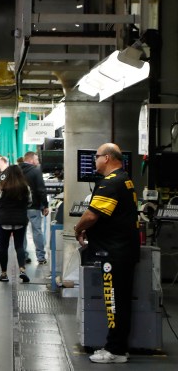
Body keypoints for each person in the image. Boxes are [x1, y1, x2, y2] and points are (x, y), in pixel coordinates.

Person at [74, 143, 139, 364]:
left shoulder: (110, 183)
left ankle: (115, 350)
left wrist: (78, 228)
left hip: (114, 253)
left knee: (113, 301)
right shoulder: (125, 179)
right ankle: (118, 346)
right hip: (123, 250)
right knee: (120, 300)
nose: (95, 160)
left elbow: (92, 216)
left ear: (108, 158)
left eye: (97, 156)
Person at [0, 164, 32, 283]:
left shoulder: (1, 188)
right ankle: (22, 270)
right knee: (19, 246)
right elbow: (30, 203)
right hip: (20, 220)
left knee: (3, 247)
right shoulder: (26, 188)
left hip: (4, 220)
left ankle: (4, 274)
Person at [20, 151, 49, 265]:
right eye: (36, 159)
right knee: (37, 231)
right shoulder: (35, 171)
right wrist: (45, 205)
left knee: (21, 232)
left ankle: (23, 256)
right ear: (31, 160)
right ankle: (41, 257)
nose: (37, 162)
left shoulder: (16, 170)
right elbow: (41, 189)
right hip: (34, 206)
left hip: (20, 207)